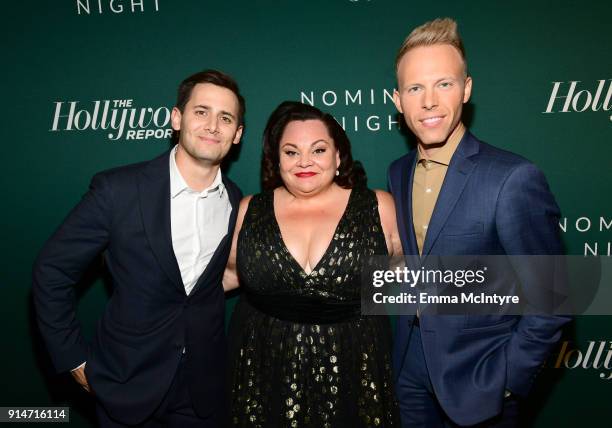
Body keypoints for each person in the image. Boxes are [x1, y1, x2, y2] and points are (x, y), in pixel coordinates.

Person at [33, 69, 245, 427]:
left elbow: (203, 286)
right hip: (127, 382)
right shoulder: (118, 190)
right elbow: (52, 271)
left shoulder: (236, 201)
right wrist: (73, 359)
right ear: (176, 119)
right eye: (201, 111)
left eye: (225, 118)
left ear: (237, 134)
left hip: (203, 390)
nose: (212, 125)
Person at [388, 18, 571, 427]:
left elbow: (554, 296)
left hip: (481, 378)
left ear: (467, 89)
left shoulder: (512, 177)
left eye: (444, 84)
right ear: (398, 100)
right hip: (408, 368)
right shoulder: (398, 172)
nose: (429, 102)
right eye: (415, 88)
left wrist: (508, 379)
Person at [223, 101, 402, 427]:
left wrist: (518, 286)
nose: (304, 161)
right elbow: (224, 277)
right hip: (263, 369)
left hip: (355, 369)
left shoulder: (378, 206)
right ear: (276, 160)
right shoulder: (250, 209)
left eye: (318, 149)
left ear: (338, 156)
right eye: (291, 152)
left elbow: (412, 282)